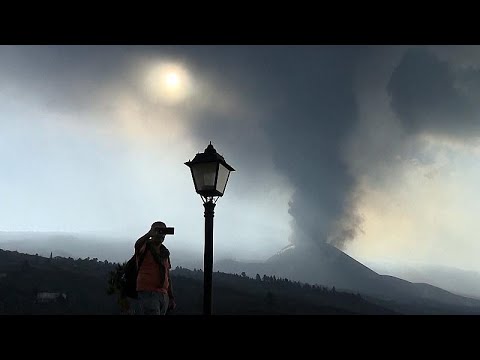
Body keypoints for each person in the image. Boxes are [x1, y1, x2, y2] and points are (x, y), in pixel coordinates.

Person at [134, 221, 176, 315]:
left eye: (164, 231)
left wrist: (171, 297)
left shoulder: (164, 253)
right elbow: (137, 246)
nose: (161, 234)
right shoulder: (145, 247)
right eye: (159, 230)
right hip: (148, 292)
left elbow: (167, 276)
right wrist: (149, 234)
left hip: (163, 294)